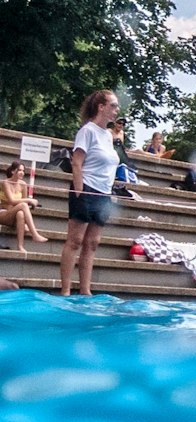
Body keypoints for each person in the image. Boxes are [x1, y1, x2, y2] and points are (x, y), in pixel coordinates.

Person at [59, 89, 121, 295]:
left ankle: (85, 290)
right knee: (75, 240)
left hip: (104, 195)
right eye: (112, 105)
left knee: (92, 243)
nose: (116, 110)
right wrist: (79, 190)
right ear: (100, 107)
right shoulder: (88, 131)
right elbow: (76, 162)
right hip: (86, 190)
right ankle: (66, 289)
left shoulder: (109, 136)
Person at [2, 161, 48, 250]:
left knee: (21, 214)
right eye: (19, 170)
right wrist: (29, 200)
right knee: (22, 205)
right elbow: (12, 201)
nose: (22, 172)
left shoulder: (23, 184)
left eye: (23, 170)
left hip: (14, 214)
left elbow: (25, 204)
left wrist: (28, 202)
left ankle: (20, 246)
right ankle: (34, 234)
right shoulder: (5, 183)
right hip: (3, 212)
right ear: (12, 171)